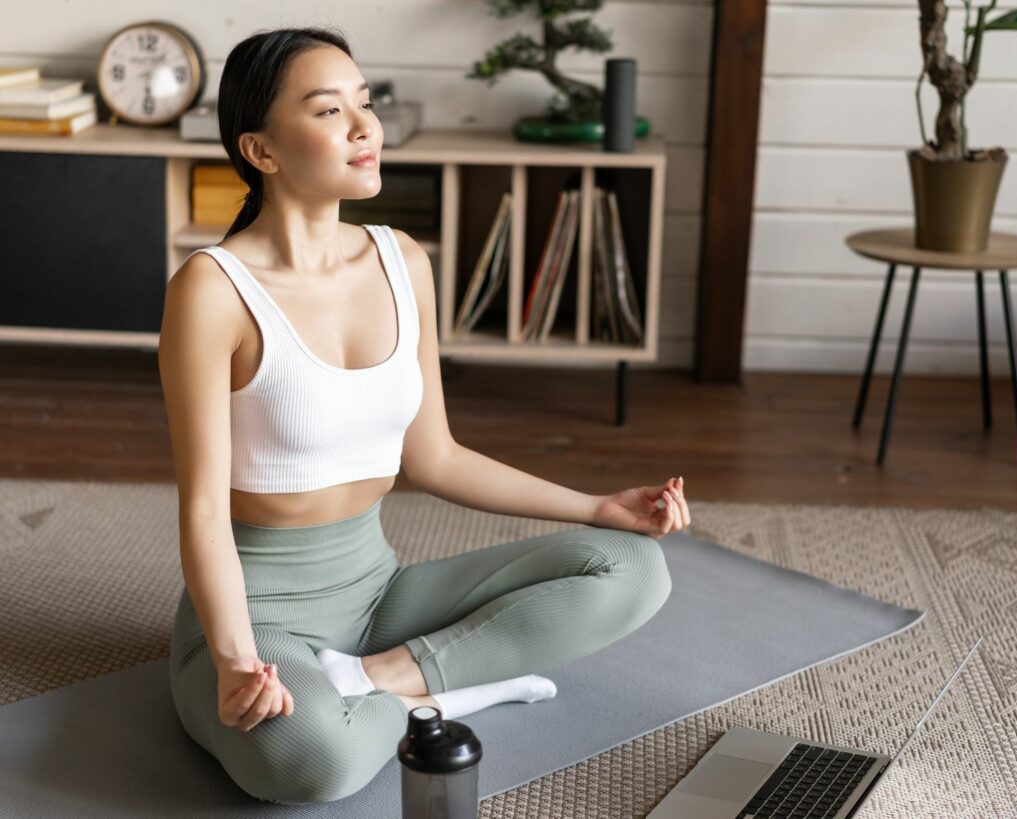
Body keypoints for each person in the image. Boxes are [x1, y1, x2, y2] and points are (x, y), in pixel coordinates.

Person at [158, 24, 690, 806]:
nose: (364, 126)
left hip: (379, 593)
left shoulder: (403, 259)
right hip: (259, 613)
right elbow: (202, 509)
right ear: (262, 151)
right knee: (311, 765)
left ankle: (387, 681)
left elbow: (434, 455)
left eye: (364, 104)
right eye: (329, 110)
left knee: (634, 569)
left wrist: (597, 506)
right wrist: (237, 659)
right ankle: (439, 688)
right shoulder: (211, 290)